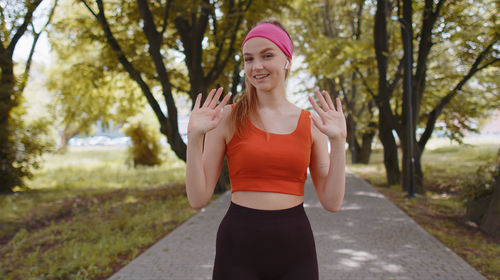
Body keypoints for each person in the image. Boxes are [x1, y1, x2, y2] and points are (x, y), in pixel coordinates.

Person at [186, 20, 346, 280]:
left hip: (296, 249)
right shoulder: (226, 118)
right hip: (237, 248)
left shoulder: (312, 123)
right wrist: (194, 138)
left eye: (267, 55)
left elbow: (332, 202)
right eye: (249, 59)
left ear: (287, 60)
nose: (256, 66)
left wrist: (339, 142)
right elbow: (198, 198)